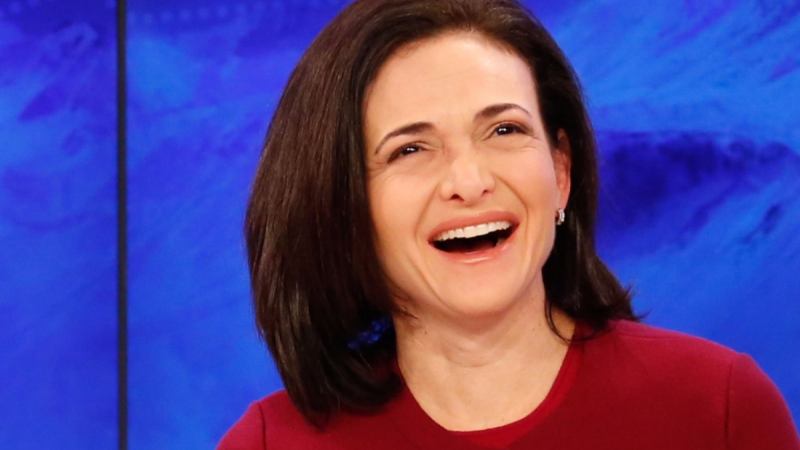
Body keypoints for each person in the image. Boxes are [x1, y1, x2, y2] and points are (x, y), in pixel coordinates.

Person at [218, 0, 800, 448]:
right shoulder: (271, 442)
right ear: (342, 205)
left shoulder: (721, 408)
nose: (469, 182)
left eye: (504, 130)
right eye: (410, 149)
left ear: (561, 172)